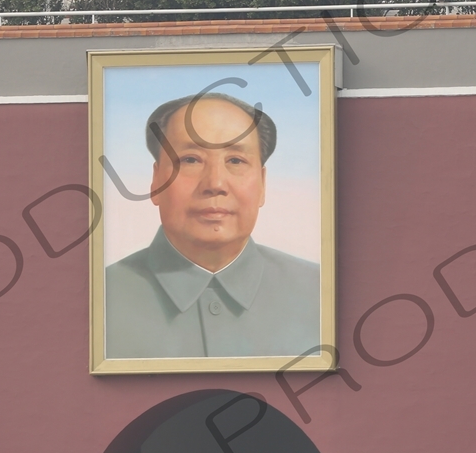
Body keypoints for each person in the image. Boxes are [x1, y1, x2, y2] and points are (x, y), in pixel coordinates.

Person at [102, 93, 319, 359]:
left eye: (235, 161)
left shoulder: (321, 293)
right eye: (191, 160)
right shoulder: (100, 297)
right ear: (156, 180)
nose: (215, 183)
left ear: (262, 184)